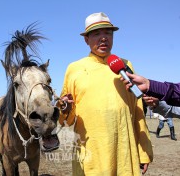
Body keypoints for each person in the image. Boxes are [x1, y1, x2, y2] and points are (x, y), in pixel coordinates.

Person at [57, 12, 153, 175]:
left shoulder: (124, 65)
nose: (103, 38)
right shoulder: (74, 69)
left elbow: (138, 111)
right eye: (96, 34)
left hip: (123, 150)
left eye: (108, 33)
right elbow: (67, 118)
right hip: (91, 152)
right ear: (86, 39)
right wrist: (64, 109)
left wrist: (144, 151)